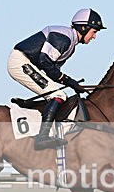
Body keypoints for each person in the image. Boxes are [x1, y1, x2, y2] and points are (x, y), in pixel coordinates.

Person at [8, 8, 106, 150]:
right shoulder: (64, 38)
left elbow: (52, 72)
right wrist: (69, 81)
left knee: (56, 92)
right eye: (94, 32)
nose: (94, 37)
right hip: (20, 61)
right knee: (58, 94)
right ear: (84, 27)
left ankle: (30, 107)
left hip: (27, 62)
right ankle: (42, 137)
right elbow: (45, 62)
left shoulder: (71, 46)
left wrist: (69, 82)